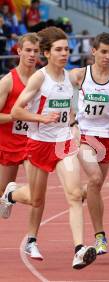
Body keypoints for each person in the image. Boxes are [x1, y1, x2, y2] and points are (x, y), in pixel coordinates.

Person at [10, 26, 97, 269]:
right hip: (38, 144)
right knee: (36, 199)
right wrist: (40, 119)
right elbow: (16, 110)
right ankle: (10, 194)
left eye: (67, 49)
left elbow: (68, 110)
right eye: (58, 49)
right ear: (46, 53)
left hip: (62, 143)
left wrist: (73, 123)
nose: (64, 54)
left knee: (75, 194)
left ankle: (79, 249)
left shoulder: (70, 78)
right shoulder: (40, 78)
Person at [69, 32, 109, 255]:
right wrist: (70, 113)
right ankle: (100, 236)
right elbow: (57, 86)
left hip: (107, 138)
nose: (107, 56)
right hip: (85, 136)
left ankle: (76, 193)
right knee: (95, 179)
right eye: (103, 52)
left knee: (95, 187)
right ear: (93, 51)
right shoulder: (79, 75)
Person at [0, 33, 46, 261]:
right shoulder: (8, 81)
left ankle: (31, 240)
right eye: (28, 50)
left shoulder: (42, 79)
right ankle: (9, 194)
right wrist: (18, 116)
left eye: (35, 51)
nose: (31, 55)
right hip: (8, 144)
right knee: (1, 191)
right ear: (18, 51)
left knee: (38, 194)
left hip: (32, 144)